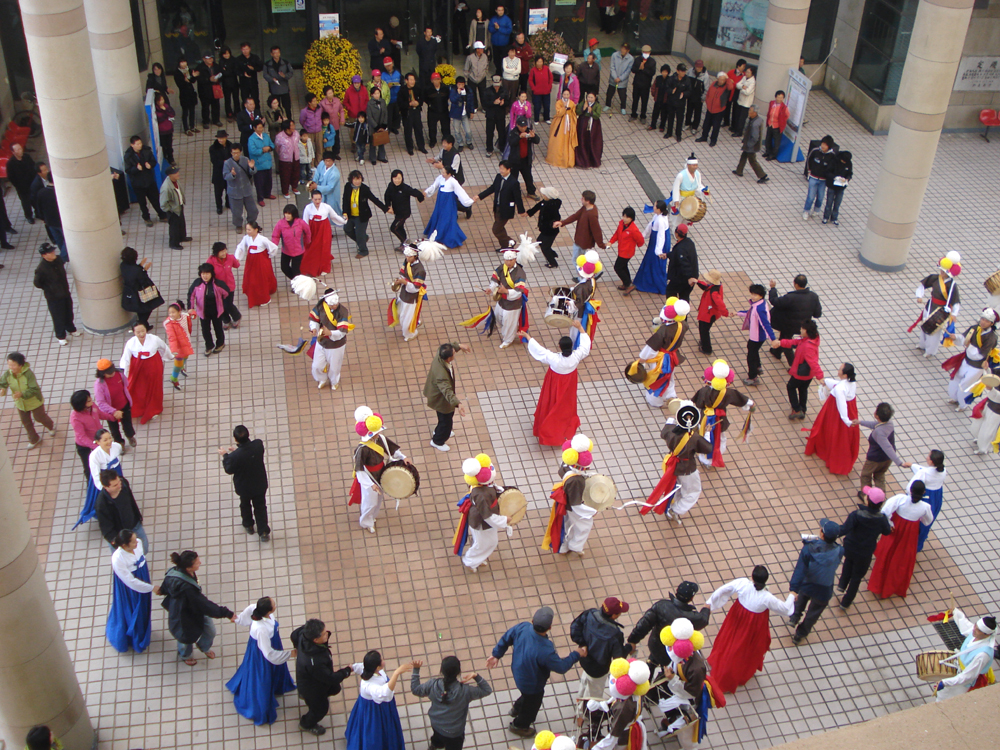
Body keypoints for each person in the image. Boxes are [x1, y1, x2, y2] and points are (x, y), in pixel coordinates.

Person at [487, 607, 586, 737]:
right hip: (533, 684)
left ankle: (516, 708)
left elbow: (507, 637)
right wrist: (576, 654)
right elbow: (561, 667)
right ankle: (519, 725)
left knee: (527, 696)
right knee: (531, 706)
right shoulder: (545, 649)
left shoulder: (523, 627)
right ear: (549, 627)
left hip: (518, 673)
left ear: (532, 621)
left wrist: (496, 655)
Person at [704, 567, 794, 693]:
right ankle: (735, 674)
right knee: (744, 649)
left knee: (728, 641)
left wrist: (710, 603)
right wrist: (791, 596)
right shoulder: (767, 597)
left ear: (752, 577)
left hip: (736, 618)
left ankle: (719, 662)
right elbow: (784, 609)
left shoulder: (743, 584)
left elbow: (724, 589)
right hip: (754, 625)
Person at [226, 596, 296, 725]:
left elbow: (243, 618)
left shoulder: (255, 609)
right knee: (261, 677)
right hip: (262, 652)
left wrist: (236, 619)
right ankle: (259, 707)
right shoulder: (261, 629)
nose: (275, 604)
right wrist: (288, 654)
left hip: (272, 643)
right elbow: (268, 653)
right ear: (269, 611)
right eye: (274, 604)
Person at [160, 550, 236, 666]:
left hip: (193, 609)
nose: (200, 562)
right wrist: (226, 613)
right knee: (185, 639)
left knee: (210, 631)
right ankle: (185, 655)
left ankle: (203, 646)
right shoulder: (187, 589)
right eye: (196, 562)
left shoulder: (173, 573)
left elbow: (164, 588)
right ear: (189, 568)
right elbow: (205, 605)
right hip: (183, 615)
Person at [523, 321, 591, 446]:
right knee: (566, 406)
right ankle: (564, 430)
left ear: (559, 347)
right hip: (569, 383)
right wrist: (580, 327)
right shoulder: (576, 356)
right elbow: (585, 347)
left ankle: (547, 429)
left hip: (554, 383)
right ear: (571, 347)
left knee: (549, 403)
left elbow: (540, 351)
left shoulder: (554, 359)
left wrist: (528, 337)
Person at [827, 486, 892, 610]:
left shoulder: (856, 514)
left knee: (848, 562)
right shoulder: (881, 519)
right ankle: (845, 602)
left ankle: (842, 584)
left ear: (867, 500)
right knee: (857, 578)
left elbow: (845, 529)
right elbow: (887, 531)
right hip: (865, 552)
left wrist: (831, 533)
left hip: (851, 547)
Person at [868, 482, 934, 599]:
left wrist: (890, 523)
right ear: (924, 493)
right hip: (910, 535)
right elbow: (927, 521)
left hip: (895, 530)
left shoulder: (900, 499)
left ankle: (878, 583)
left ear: (911, 490)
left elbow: (885, 512)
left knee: (886, 554)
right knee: (902, 560)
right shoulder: (925, 507)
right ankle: (895, 586)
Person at [411, 656, 492, 750]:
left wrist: (416, 670)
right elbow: (487, 690)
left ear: (441, 670)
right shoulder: (465, 691)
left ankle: (435, 746)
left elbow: (415, 690)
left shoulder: (433, 685)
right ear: (458, 672)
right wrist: (475, 676)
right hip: (455, 733)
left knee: (437, 739)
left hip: (436, 725)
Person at [289, 619, 353, 736]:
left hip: (309, 680)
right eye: (324, 634)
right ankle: (306, 724)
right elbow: (330, 678)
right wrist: (347, 671)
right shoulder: (314, 662)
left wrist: (297, 648)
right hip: (312, 688)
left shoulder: (304, 633)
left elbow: (293, 635)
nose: (327, 634)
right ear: (315, 640)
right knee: (321, 708)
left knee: (330, 691)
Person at [626, 582, 710, 669]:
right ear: (691, 598)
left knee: (654, 659)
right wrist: (706, 610)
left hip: (656, 645)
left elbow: (644, 624)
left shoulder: (661, 605)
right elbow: (703, 620)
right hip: (673, 653)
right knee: (667, 672)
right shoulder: (693, 617)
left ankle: (650, 667)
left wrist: (632, 640)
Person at [570, 598, 632, 714]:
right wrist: (629, 648)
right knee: (594, 695)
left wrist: (582, 644)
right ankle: (584, 713)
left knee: (585, 681)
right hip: (599, 669)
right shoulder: (615, 634)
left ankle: (580, 702)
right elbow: (618, 659)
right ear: (614, 615)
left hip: (584, 659)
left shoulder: (590, 614)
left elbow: (575, 628)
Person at [452, 454, 512, 571]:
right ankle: (470, 561)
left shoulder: (479, 486)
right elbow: (487, 516)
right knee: (485, 543)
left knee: (484, 542)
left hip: (482, 521)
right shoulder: (481, 495)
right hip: (481, 523)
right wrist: (505, 520)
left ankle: (476, 559)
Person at [788, 519, 844, 644]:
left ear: (821, 534)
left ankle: (794, 617)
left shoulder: (809, 548)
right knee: (813, 613)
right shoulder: (840, 550)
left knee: (801, 600)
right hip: (825, 587)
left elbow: (800, 569)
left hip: (808, 583)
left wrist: (794, 588)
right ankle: (800, 634)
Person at [542, 440, 603, 554]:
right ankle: (575, 546)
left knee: (566, 524)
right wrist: (592, 511)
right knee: (584, 526)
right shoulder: (576, 481)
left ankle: (564, 547)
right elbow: (576, 504)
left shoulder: (566, 464)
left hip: (567, 502)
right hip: (572, 506)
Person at [345, 652, 413, 750]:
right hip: (373, 711)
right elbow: (384, 692)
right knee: (374, 732)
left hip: (378, 706)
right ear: (377, 667)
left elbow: (359, 667)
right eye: (381, 660)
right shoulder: (368, 685)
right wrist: (396, 673)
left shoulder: (370, 670)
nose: (383, 661)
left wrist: (352, 667)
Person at [692, 361, 753, 468]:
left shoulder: (703, 391)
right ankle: (713, 459)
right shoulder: (727, 393)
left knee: (704, 436)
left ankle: (705, 459)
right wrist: (750, 404)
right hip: (719, 420)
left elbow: (698, 403)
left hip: (704, 418)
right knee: (719, 438)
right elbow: (740, 399)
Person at [107, 528, 159, 654]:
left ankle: (141, 633)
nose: (137, 542)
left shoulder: (139, 543)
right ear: (124, 545)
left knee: (143, 607)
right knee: (132, 609)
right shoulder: (117, 558)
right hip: (129, 588)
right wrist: (151, 588)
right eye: (133, 541)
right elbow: (130, 581)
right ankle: (133, 638)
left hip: (142, 576)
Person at [803, 362, 860, 473]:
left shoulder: (840, 389)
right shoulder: (851, 383)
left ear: (844, 375)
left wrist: (846, 420)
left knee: (831, 431)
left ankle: (830, 456)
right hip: (850, 411)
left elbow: (841, 404)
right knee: (841, 436)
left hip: (835, 412)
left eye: (840, 369)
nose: (838, 371)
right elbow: (839, 385)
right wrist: (827, 381)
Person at [633, 301, 689, 408]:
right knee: (669, 377)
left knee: (656, 379)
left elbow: (651, 348)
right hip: (673, 356)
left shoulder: (663, 331)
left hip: (661, 359)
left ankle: (656, 401)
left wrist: (642, 359)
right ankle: (671, 396)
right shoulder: (683, 325)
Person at [220, 425, 271, 541]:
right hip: (259, 484)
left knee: (245, 505)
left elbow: (229, 469)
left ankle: (248, 524)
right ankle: (263, 532)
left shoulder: (234, 457)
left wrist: (225, 455)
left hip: (244, 487)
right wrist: (237, 451)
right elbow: (248, 454)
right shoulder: (258, 445)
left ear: (235, 439)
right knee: (260, 507)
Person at [934, 610, 998, 701]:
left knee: (952, 699)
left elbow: (968, 676)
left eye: (978, 630)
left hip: (966, 681)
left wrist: (945, 682)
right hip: (960, 670)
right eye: (976, 625)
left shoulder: (983, 655)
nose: (974, 629)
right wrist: (956, 613)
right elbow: (965, 626)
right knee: (944, 694)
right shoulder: (977, 633)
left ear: (987, 634)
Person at [946, 309, 999, 410]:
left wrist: (969, 346)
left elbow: (980, 355)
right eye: (982, 319)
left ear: (991, 323)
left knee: (965, 385)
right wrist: (956, 337)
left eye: (986, 321)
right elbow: (964, 338)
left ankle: (963, 404)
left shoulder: (991, 338)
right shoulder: (974, 328)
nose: (983, 322)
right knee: (957, 377)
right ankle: (954, 397)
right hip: (966, 360)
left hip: (977, 366)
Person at [770, 319, 823, 420]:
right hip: (809, 374)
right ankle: (802, 409)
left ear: (806, 331)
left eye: (802, 329)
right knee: (803, 389)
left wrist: (820, 376)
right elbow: (795, 342)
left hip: (801, 373)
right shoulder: (810, 339)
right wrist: (781, 343)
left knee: (791, 387)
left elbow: (813, 363)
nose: (800, 330)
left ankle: (797, 409)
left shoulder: (808, 346)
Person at [1, 352, 56, 450]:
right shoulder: (7, 374)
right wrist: (3, 390)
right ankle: (34, 439)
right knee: (26, 422)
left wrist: (22, 394)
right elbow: (2, 383)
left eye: (13, 365)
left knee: (39, 417)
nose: (10, 367)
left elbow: (34, 389)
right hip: (21, 404)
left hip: (35, 402)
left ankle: (50, 426)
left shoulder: (28, 374)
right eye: (9, 364)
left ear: (20, 365)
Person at [424, 343, 472, 452]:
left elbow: (448, 346)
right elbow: (447, 391)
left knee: (445, 417)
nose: (455, 353)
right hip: (441, 399)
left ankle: (440, 431)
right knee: (446, 421)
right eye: (454, 353)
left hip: (438, 396)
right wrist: (458, 403)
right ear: (449, 358)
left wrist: (459, 346)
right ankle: (437, 440)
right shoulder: (441, 374)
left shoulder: (439, 355)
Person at [119, 321, 170, 422]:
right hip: (137, 366)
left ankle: (154, 408)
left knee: (154, 386)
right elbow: (126, 359)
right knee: (138, 387)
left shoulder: (154, 339)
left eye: (143, 331)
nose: (141, 334)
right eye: (138, 332)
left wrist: (169, 356)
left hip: (153, 365)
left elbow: (164, 348)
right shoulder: (130, 343)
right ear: (133, 332)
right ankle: (140, 407)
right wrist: (125, 373)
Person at [913, 254, 962, 358]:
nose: (941, 273)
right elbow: (922, 285)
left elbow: (955, 301)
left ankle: (930, 351)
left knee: (934, 332)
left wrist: (954, 314)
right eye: (941, 271)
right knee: (924, 325)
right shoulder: (935, 278)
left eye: (944, 272)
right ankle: (922, 344)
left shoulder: (952, 285)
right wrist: (919, 295)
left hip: (940, 311)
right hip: (930, 306)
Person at [854, 402, 910, 492]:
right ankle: (880, 497)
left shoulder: (879, 433)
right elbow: (875, 425)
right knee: (879, 475)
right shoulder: (889, 423)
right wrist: (860, 422)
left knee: (866, 475)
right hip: (887, 459)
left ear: (876, 415)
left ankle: (867, 495)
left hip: (874, 459)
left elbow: (887, 447)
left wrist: (899, 463)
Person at [74, 428, 124, 528]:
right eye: (105, 440)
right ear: (97, 442)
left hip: (116, 473)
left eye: (110, 438)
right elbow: (96, 475)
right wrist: (104, 488)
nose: (109, 441)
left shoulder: (117, 446)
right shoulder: (94, 456)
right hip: (104, 477)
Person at [768, 275, 823, 365]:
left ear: (795, 284)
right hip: (803, 326)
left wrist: (773, 288)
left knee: (786, 342)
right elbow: (817, 314)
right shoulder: (813, 296)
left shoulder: (791, 297)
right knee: (784, 337)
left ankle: (794, 365)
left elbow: (774, 301)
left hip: (788, 325)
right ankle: (777, 351)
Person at [308, 289, 352, 392]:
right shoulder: (320, 307)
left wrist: (331, 333)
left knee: (334, 367)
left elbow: (342, 331)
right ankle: (321, 379)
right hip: (322, 341)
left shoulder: (342, 311)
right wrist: (314, 328)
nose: (334, 306)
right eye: (332, 305)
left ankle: (334, 382)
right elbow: (314, 320)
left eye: (336, 304)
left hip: (336, 345)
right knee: (316, 365)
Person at [474, 161, 524, 251]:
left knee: (496, 229)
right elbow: (492, 188)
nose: (501, 171)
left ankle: (510, 241)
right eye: (500, 168)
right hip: (497, 207)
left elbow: (518, 198)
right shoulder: (498, 177)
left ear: (508, 170)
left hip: (506, 210)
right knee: (500, 227)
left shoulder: (513, 182)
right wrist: (479, 196)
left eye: (503, 169)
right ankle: (505, 246)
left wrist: (521, 211)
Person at [486, 248, 530, 348]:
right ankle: (510, 331)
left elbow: (519, 292)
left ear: (515, 259)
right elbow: (495, 280)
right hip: (501, 300)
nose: (508, 262)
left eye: (510, 260)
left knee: (509, 323)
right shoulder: (502, 267)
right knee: (498, 318)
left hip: (513, 304)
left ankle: (508, 340)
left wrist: (506, 291)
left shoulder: (520, 273)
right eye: (506, 260)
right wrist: (490, 288)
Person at [95, 471, 148, 552]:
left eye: (119, 481)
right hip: (120, 536)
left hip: (135, 526)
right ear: (106, 487)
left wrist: (138, 517)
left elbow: (131, 502)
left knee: (144, 549)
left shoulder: (124, 485)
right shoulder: (102, 505)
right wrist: (117, 542)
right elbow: (106, 529)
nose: (120, 485)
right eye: (115, 485)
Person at [187, 264, 231, 357]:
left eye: (207, 273)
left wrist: (222, 303)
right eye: (203, 273)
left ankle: (220, 343)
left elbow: (226, 293)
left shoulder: (218, 284)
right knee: (205, 330)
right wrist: (191, 308)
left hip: (216, 311)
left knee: (218, 328)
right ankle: (209, 345)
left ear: (211, 274)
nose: (205, 276)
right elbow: (191, 295)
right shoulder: (197, 283)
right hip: (203, 312)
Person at [342, 170, 387, 259]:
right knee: (347, 229)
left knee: (359, 233)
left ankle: (363, 250)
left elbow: (374, 199)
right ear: (351, 180)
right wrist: (344, 212)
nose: (357, 181)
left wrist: (385, 208)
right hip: (350, 214)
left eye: (359, 179)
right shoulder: (347, 186)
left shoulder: (364, 189)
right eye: (355, 179)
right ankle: (362, 239)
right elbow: (345, 199)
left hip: (362, 216)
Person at [123, 136, 167, 226]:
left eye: (140, 143)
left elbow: (153, 161)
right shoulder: (128, 156)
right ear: (132, 145)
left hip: (149, 180)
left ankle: (162, 215)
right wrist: (136, 169)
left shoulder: (147, 151)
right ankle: (146, 218)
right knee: (142, 202)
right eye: (137, 144)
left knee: (155, 199)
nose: (140, 145)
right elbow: (128, 170)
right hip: (138, 184)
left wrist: (150, 165)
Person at [301, 188, 345, 278]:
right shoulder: (308, 208)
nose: (317, 201)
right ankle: (311, 267)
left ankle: (324, 268)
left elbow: (334, 216)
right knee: (311, 249)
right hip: (313, 230)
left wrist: (344, 221)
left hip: (324, 229)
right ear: (312, 199)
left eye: (319, 199)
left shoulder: (326, 207)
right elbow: (305, 222)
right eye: (315, 199)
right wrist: (306, 233)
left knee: (324, 248)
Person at [234, 221, 279, 307]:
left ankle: (264, 298)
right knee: (251, 279)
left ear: (256, 230)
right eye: (247, 229)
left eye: (249, 230)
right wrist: (237, 258)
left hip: (261, 262)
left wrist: (269, 256)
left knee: (262, 279)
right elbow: (240, 247)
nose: (248, 231)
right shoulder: (246, 238)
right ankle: (254, 295)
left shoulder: (262, 239)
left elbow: (273, 248)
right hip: (251, 262)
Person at [69, 389, 111, 480]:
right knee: (89, 468)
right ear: (82, 404)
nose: (91, 401)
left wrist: (112, 417)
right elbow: (82, 436)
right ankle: (91, 487)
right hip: (84, 446)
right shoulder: (76, 418)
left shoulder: (92, 407)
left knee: (103, 463)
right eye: (88, 400)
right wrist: (95, 446)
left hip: (98, 441)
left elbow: (101, 414)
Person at [94, 359, 136, 448]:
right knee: (114, 429)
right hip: (110, 411)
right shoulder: (99, 385)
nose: (112, 373)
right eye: (109, 373)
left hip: (124, 405)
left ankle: (130, 436)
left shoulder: (119, 374)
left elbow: (126, 384)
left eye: (112, 370)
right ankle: (119, 443)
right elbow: (101, 403)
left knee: (128, 424)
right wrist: (114, 411)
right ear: (102, 373)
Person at [741, 283, 777, 385]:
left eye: (755, 295)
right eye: (752, 294)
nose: (752, 296)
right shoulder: (760, 304)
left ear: (761, 295)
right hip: (757, 336)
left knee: (751, 356)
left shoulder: (759, 309)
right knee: (752, 349)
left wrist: (773, 339)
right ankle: (758, 366)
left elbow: (766, 325)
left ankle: (753, 377)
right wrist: (737, 313)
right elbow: (749, 313)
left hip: (757, 336)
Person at [119, 247, 162, 330]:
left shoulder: (123, 266)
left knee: (140, 309)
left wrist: (140, 267)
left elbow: (132, 273)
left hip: (129, 292)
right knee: (148, 308)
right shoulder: (137, 271)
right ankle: (141, 323)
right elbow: (143, 280)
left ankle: (144, 324)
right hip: (139, 293)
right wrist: (144, 270)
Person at [633, 200, 670, 295]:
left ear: (659, 209)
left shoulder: (661, 220)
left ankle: (658, 285)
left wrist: (658, 251)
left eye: (654, 206)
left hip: (658, 243)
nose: (653, 207)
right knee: (650, 261)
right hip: (656, 241)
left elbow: (661, 236)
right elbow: (650, 226)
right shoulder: (658, 216)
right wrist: (643, 235)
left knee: (655, 263)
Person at [556, 189, 604, 257]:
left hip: (584, 243)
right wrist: (562, 223)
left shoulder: (592, 215)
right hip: (579, 240)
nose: (581, 200)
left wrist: (601, 244)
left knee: (577, 260)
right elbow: (576, 216)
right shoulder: (585, 208)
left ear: (588, 201)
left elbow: (596, 230)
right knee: (578, 260)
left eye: (583, 199)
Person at [384, 169, 426, 248]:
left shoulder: (405, 188)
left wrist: (421, 197)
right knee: (400, 227)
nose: (397, 180)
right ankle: (404, 242)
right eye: (395, 178)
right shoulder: (391, 186)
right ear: (392, 178)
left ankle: (406, 243)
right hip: (397, 212)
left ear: (402, 178)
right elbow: (387, 196)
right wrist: (388, 206)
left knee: (394, 228)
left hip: (404, 213)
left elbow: (415, 192)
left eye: (399, 178)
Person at [223, 144, 259, 233]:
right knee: (236, 211)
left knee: (253, 209)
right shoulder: (227, 163)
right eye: (234, 153)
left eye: (237, 152)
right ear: (231, 153)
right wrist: (232, 175)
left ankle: (251, 222)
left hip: (247, 189)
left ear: (240, 152)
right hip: (234, 191)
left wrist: (252, 167)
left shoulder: (245, 159)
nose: (236, 154)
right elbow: (225, 176)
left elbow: (252, 172)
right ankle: (238, 225)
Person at [271, 203, 312, 281]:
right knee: (284, 267)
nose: (287, 215)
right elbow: (275, 236)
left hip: (298, 251)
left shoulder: (300, 223)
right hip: (286, 251)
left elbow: (307, 232)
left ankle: (297, 284)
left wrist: (307, 241)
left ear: (294, 214)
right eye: (285, 213)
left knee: (295, 270)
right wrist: (274, 246)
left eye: (289, 214)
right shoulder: (280, 223)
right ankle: (297, 281)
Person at [608, 206, 644, 292]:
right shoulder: (621, 224)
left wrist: (635, 245)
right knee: (623, 266)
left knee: (618, 267)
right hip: (621, 250)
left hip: (627, 252)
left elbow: (641, 240)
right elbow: (617, 233)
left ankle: (627, 284)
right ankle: (627, 283)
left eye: (627, 217)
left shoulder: (633, 230)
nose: (624, 218)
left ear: (632, 218)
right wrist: (611, 242)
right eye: (623, 216)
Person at [208, 243, 242, 329]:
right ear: (216, 253)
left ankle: (236, 317)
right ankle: (226, 320)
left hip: (229, 286)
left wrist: (237, 261)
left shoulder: (230, 258)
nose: (224, 253)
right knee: (219, 305)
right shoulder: (211, 261)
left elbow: (236, 265)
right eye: (221, 252)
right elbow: (207, 272)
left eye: (224, 250)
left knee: (228, 305)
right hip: (217, 288)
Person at [526, 186, 561, 267]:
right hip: (545, 229)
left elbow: (557, 218)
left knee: (545, 247)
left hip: (550, 231)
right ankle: (553, 253)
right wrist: (529, 213)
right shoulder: (545, 202)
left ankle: (553, 263)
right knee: (540, 241)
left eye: (545, 195)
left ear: (549, 197)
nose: (543, 196)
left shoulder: (552, 207)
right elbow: (538, 206)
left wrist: (552, 224)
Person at [732, 105, 768, 183]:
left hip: (751, 145)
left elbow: (755, 137)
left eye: (750, 111)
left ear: (754, 113)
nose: (749, 112)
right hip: (749, 144)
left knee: (752, 161)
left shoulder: (755, 124)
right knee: (744, 156)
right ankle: (739, 170)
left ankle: (762, 175)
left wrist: (749, 145)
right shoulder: (756, 120)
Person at [163, 302, 194, 390]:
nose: (171, 315)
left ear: (179, 312)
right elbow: (172, 338)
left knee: (186, 357)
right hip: (178, 347)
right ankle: (174, 378)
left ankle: (181, 368)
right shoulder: (169, 324)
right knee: (178, 362)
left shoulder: (184, 316)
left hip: (186, 342)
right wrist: (174, 350)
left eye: (173, 312)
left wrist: (193, 314)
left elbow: (191, 314)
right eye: (170, 313)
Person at [695, 270, 728, 355]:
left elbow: (720, 304)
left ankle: (706, 348)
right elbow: (706, 286)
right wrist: (697, 281)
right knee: (704, 329)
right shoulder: (717, 286)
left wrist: (726, 313)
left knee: (704, 330)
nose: (706, 280)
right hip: (710, 313)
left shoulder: (714, 293)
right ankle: (704, 343)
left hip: (708, 314)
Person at [695, 72, 731, 147]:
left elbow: (731, 87)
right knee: (706, 124)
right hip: (710, 108)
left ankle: (713, 140)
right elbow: (708, 93)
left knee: (716, 126)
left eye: (723, 80)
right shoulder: (714, 83)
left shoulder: (726, 87)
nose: (721, 81)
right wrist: (707, 102)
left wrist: (727, 79)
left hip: (719, 110)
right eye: (720, 79)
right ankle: (704, 136)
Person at [803, 135, 835, 219]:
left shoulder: (832, 155)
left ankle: (816, 210)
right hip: (813, 177)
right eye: (822, 143)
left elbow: (833, 168)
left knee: (820, 197)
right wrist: (809, 172)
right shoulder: (815, 151)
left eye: (825, 144)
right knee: (810, 196)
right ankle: (806, 211)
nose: (823, 146)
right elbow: (809, 160)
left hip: (823, 180)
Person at [159, 165, 190, 250]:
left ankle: (182, 237)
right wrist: (170, 210)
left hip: (179, 206)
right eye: (175, 173)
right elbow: (163, 204)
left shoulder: (175, 181)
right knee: (174, 227)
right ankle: (174, 243)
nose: (178, 174)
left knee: (181, 223)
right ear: (170, 175)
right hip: (173, 210)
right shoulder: (166, 188)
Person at [666, 224, 699, 302]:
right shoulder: (689, 242)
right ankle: (683, 313)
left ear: (676, 233)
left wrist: (690, 277)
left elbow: (684, 263)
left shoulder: (680, 248)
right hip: (692, 276)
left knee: (671, 291)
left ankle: (673, 310)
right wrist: (667, 255)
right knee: (684, 296)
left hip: (683, 278)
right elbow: (677, 255)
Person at [546, 89, 578, 168]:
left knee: (568, 140)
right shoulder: (559, 102)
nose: (566, 96)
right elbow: (559, 113)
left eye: (567, 94)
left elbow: (573, 113)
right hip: (560, 123)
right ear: (562, 95)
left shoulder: (571, 103)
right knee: (558, 140)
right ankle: (557, 159)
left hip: (569, 124)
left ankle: (568, 160)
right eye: (564, 94)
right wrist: (564, 108)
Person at [6, 143, 36, 223]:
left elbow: (33, 167)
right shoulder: (11, 163)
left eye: (21, 148)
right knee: (26, 202)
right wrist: (18, 186)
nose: (21, 150)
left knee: (35, 199)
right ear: (13, 152)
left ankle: (38, 212)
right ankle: (29, 216)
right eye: (18, 149)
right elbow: (11, 177)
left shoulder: (27, 157)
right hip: (22, 187)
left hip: (32, 183)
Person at [248, 120, 276, 206]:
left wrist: (269, 148)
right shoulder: (251, 139)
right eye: (259, 127)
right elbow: (252, 151)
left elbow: (272, 145)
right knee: (259, 183)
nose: (261, 129)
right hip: (258, 164)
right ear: (254, 128)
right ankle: (260, 198)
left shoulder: (265, 136)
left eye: (262, 127)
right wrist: (262, 150)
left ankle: (267, 193)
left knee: (269, 181)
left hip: (268, 163)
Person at [822, 150, 852, 225]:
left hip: (841, 187)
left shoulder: (849, 163)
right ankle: (826, 217)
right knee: (829, 202)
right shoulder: (834, 161)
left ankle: (834, 218)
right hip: (832, 185)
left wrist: (847, 179)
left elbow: (850, 173)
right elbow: (827, 172)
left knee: (837, 203)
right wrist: (835, 177)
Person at [262, 45, 294, 115]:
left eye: (278, 52)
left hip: (284, 88)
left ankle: (289, 120)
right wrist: (271, 79)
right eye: (274, 53)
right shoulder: (267, 64)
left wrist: (285, 76)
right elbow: (265, 74)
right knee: (276, 107)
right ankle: (278, 120)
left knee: (287, 107)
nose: (276, 54)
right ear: (271, 54)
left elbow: (291, 72)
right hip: (274, 88)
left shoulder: (285, 62)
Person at [401, 73, 428, 155]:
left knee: (419, 129)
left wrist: (418, 103)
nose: (413, 82)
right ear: (406, 81)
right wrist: (409, 104)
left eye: (413, 80)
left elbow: (422, 98)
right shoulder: (402, 90)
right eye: (411, 80)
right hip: (407, 112)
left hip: (416, 111)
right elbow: (400, 103)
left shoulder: (417, 89)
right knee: (408, 130)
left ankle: (421, 146)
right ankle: (410, 148)